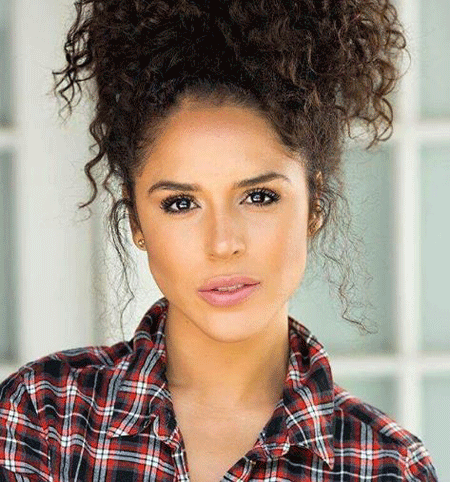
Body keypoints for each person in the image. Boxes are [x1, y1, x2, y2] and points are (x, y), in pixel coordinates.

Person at [0, 0, 438, 480]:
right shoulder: (42, 416)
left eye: (259, 197)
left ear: (314, 204)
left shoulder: (386, 465)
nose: (223, 243)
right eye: (180, 204)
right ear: (137, 220)